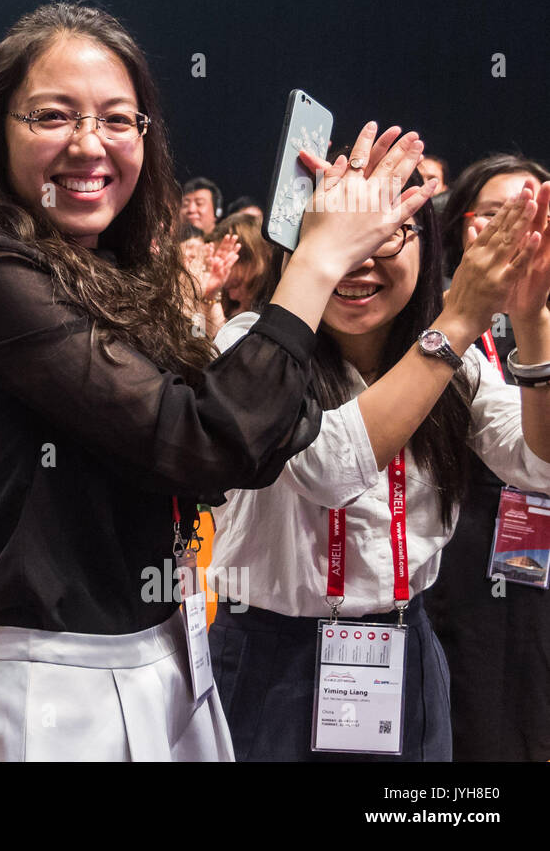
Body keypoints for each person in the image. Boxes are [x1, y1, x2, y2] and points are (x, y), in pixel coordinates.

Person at [0, 1, 435, 762]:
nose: (88, 143)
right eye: (52, 116)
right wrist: (315, 264)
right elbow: (201, 441)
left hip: (167, 654)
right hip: (63, 691)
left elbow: (257, 434)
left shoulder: (111, 272)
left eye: (117, 119)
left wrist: (315, 257)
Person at [209, 155, 550, 761]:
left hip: (404, 647)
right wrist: (460, 321)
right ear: (299, 246)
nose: (362, 256)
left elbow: (538, 462)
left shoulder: (457, 363)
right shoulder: (249, 347)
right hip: (272, 656)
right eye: (343, 227)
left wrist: (530, 319)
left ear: (428, 246)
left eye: (391, 229)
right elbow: (327, 470)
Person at [426, 153, 550, 761]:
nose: (512, 231)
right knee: (468, 719)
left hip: (540, 549)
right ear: (459, 228)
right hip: (459, 546)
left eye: (529, 217)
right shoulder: (430, 325)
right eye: (494, 215)